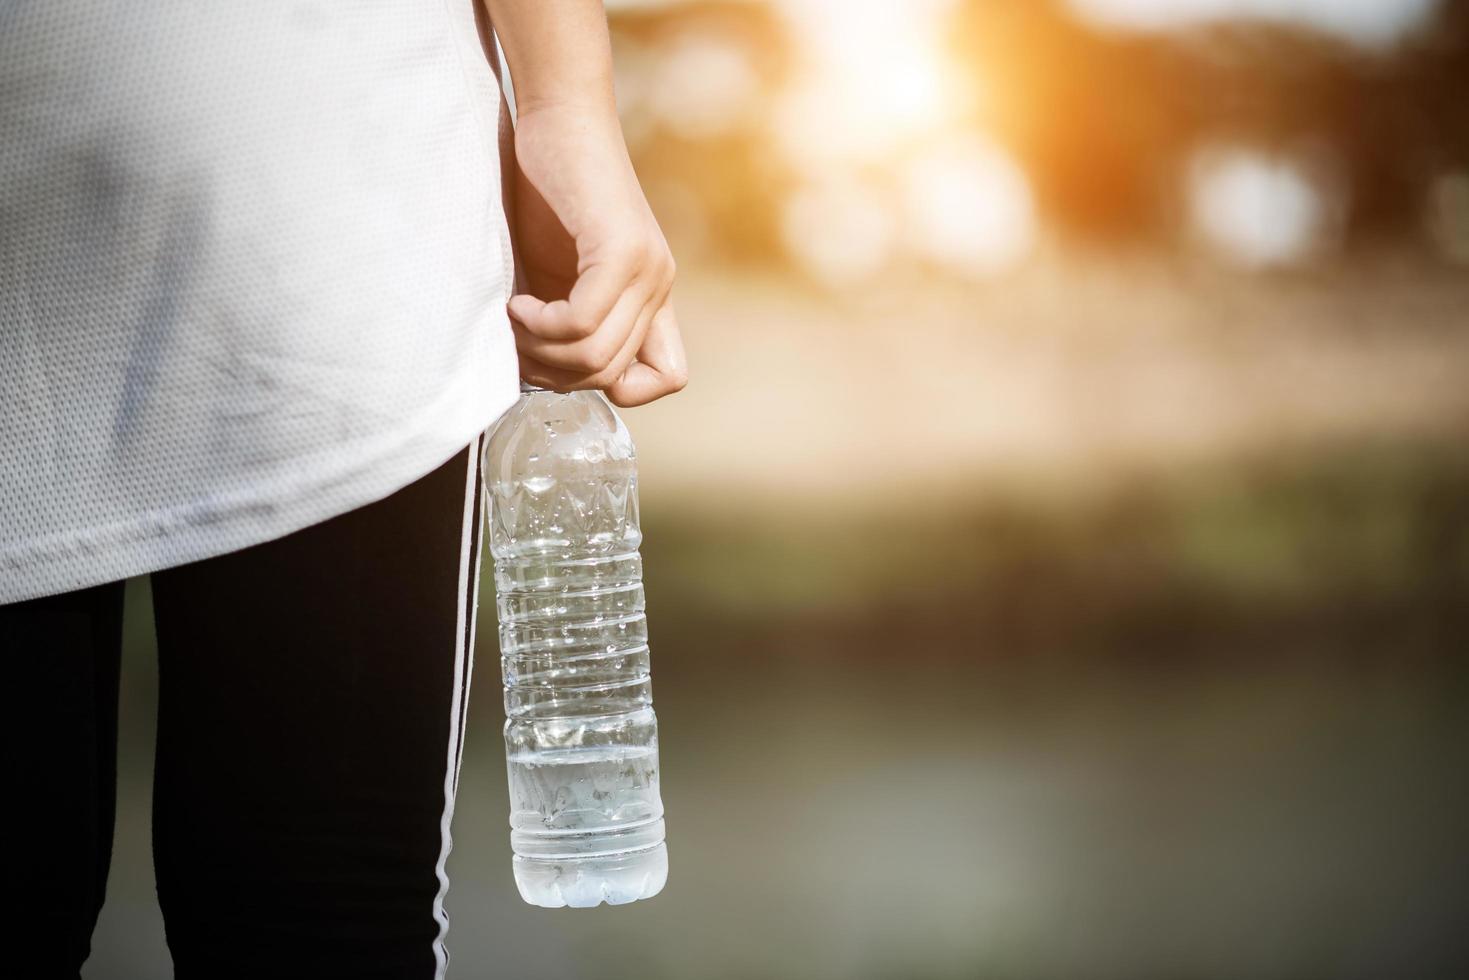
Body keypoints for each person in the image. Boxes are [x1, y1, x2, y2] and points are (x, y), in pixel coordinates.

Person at [0, 1, 685, 976]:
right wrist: (562, 104)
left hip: (325, 201)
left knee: (316, 926)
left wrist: (566, 107)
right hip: (298, 186)